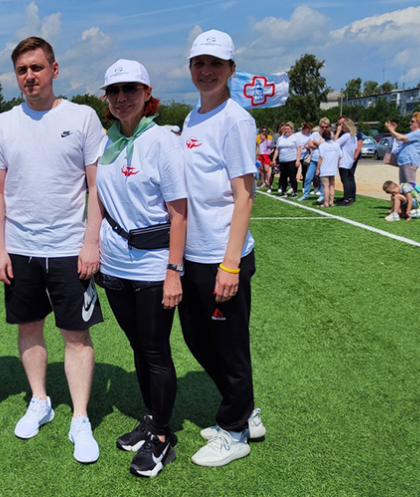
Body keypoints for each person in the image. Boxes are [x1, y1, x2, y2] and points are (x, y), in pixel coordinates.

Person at [0, 37, 104, 464]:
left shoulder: (82, 116)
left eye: (36, 67)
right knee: (29, 327)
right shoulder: (3, 124)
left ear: (54, 69)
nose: (29, 76)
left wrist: (91, 242)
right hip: (20, 249)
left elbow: (96, 185)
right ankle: (40, 400)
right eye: (22, 70)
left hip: (70, 248)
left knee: (77, 335)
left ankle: (81, 417)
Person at [94, 59, 187, 477]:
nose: (121, 97)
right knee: (138, 347)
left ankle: (162, 438)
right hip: (115, 265)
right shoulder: (108, 141)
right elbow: (101, 201)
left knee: (155, 351)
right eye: (114, 91)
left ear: (147, 93)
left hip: (152, 266)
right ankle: (151, 418)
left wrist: (173, 271)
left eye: (130, 89)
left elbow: (179, 214)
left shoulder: (163, 142)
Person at [180, 29, 266, 468]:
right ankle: (244, 409)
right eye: (199, 63)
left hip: (222, 255)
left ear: (231, 69)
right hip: (193, 254)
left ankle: (234, 431)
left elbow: (244, 195)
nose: (206, 71)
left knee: (229, 346)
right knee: (197, 338)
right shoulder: (193, 117)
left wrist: (230, 265)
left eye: (216, 64)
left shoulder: (236, 119)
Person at [386, 112, 420, 185]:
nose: (410, 123)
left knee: (410, 185)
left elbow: (401, 138)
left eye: (412, 121)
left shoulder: (419, 133)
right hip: (404, 161)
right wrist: (393, 131)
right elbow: (398, 138)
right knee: (403, 186)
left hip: (410, 161)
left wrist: (390, 129)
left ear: (419, 123)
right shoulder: (411, 133)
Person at [301, 119, 329, 202]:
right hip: (314, 159)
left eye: (326, 127)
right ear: (319, 126)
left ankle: (322, 195)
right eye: (322, 127)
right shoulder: (315, 134)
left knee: (322, 179)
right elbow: (309, 144)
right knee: (308, 177)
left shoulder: (328, 135)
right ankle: (305, 195)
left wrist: (316, 143)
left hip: (324, 160)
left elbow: (327, 145)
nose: (324, 128)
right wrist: (319, 144)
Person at [335, 118, 359, 206]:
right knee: (348, 179)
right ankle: (349, 197)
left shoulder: (346, 135)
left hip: (344, 160)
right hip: (350, 160)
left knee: (345, 180)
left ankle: (346, 199)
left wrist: (338, 132)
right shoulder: (354, 136)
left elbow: (335, 143)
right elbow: (355, 147)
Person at [273, 121, 300, 197]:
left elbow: (298, 149)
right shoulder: (280, 138)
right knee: (283, 177)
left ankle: (294, 191)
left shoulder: (295, 138)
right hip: (282, 160)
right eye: (285, 129)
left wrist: (298, 160)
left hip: (292, 160)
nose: (286, 130)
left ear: (292, 129)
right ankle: (283, 191)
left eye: (288, 129)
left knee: (292, 177)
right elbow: (277, 149)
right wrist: (274, 159)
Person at [315, 128, 341, 208]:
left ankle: (326, 202)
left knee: (326, 186)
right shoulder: (336, 145)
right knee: (331, 185)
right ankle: (331, 202)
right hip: (333, 168)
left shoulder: (322, 145)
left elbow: (321, 158)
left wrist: (317, 168)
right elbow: (339, 156)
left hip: (325, 168)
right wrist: (337, 165)